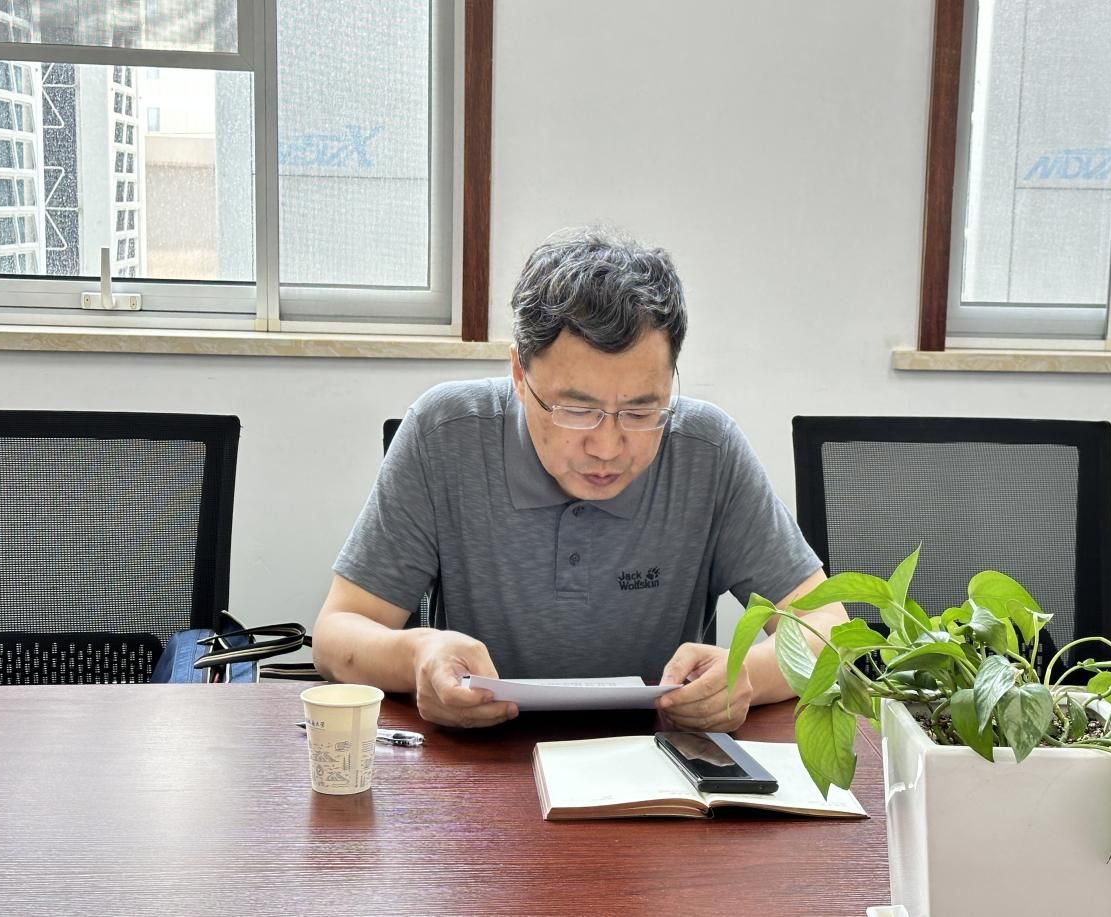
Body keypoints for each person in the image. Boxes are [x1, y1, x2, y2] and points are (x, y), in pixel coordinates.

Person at [312, 228, 847, 730]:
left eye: (642, 411)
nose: (608, 447)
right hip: (481, 763)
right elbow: (338, 634)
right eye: (576, 411)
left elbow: (828, 626)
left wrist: (747, 673)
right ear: (519, 374)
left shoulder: (707, 448)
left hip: (659, 763)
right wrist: (418, 657)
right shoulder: (444, 433)